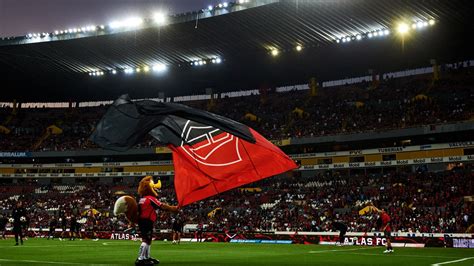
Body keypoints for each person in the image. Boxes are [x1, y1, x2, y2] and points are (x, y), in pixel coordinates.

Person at [135, 176, 179, 266]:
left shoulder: (141, 199)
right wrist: (173, 208)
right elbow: (161, 206)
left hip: (142, 220)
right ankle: (140, 259)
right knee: (146, 240)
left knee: (148, 239)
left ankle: (146, 257)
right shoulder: (150, 198)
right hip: (147, 221)